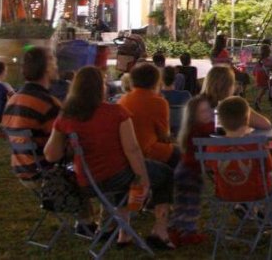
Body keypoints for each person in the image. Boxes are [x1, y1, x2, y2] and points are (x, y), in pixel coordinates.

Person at [45, 66, 175, 250]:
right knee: (165, 174)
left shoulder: (67, 116)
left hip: (87, 183)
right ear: (101, 87)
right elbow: (132, 150)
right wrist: (143, 179)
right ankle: (160, 231)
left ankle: (124, 233)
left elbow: (51, 155)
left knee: (125, 176)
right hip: (115, 177)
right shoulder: (116, 113)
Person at [2, 47, 61, 184]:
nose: (57, 65)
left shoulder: (13, 100)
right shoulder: (48, 104)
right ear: (47, 67)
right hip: (45, 170)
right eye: (54, 61)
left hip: (21, 166)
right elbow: (60, 145)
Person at [168, 95, 212, 247]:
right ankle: (188, 232)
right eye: (203, 112)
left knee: (181, 203)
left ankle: (174, 229)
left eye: (208, 111)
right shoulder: (201, 130)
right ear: (194, 116)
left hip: (182, 170)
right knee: (191, 204)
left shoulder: (189, 130)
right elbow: (210, 132)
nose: (208, 114)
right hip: (192, 172)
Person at [118, 62, 179, 168]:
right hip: (148, 151)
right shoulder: (158, 102)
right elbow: (164, 136)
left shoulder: (123, 100)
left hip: (125, 152)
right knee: (179, 153)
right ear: (156, 81)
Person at [202, 65, 272, 131]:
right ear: (229, 85)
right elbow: (266, 125)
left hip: (203, 143)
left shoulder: (197, 105)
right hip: (230, 143)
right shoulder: (234, 105)